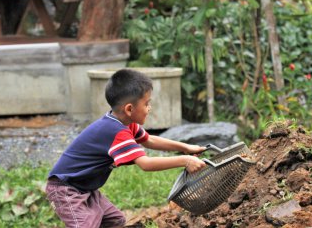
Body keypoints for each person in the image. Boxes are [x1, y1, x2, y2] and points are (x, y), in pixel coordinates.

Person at [45, 68, 206, 228]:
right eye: (147, 103)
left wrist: (186, 148)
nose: (149, 108)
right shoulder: (117, 131)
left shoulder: (124, 124)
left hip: (86, 188)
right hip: (66, 189)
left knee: (115, 220)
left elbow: (149, 140)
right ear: (129, 109)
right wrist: (185, 160)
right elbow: (146, 164)